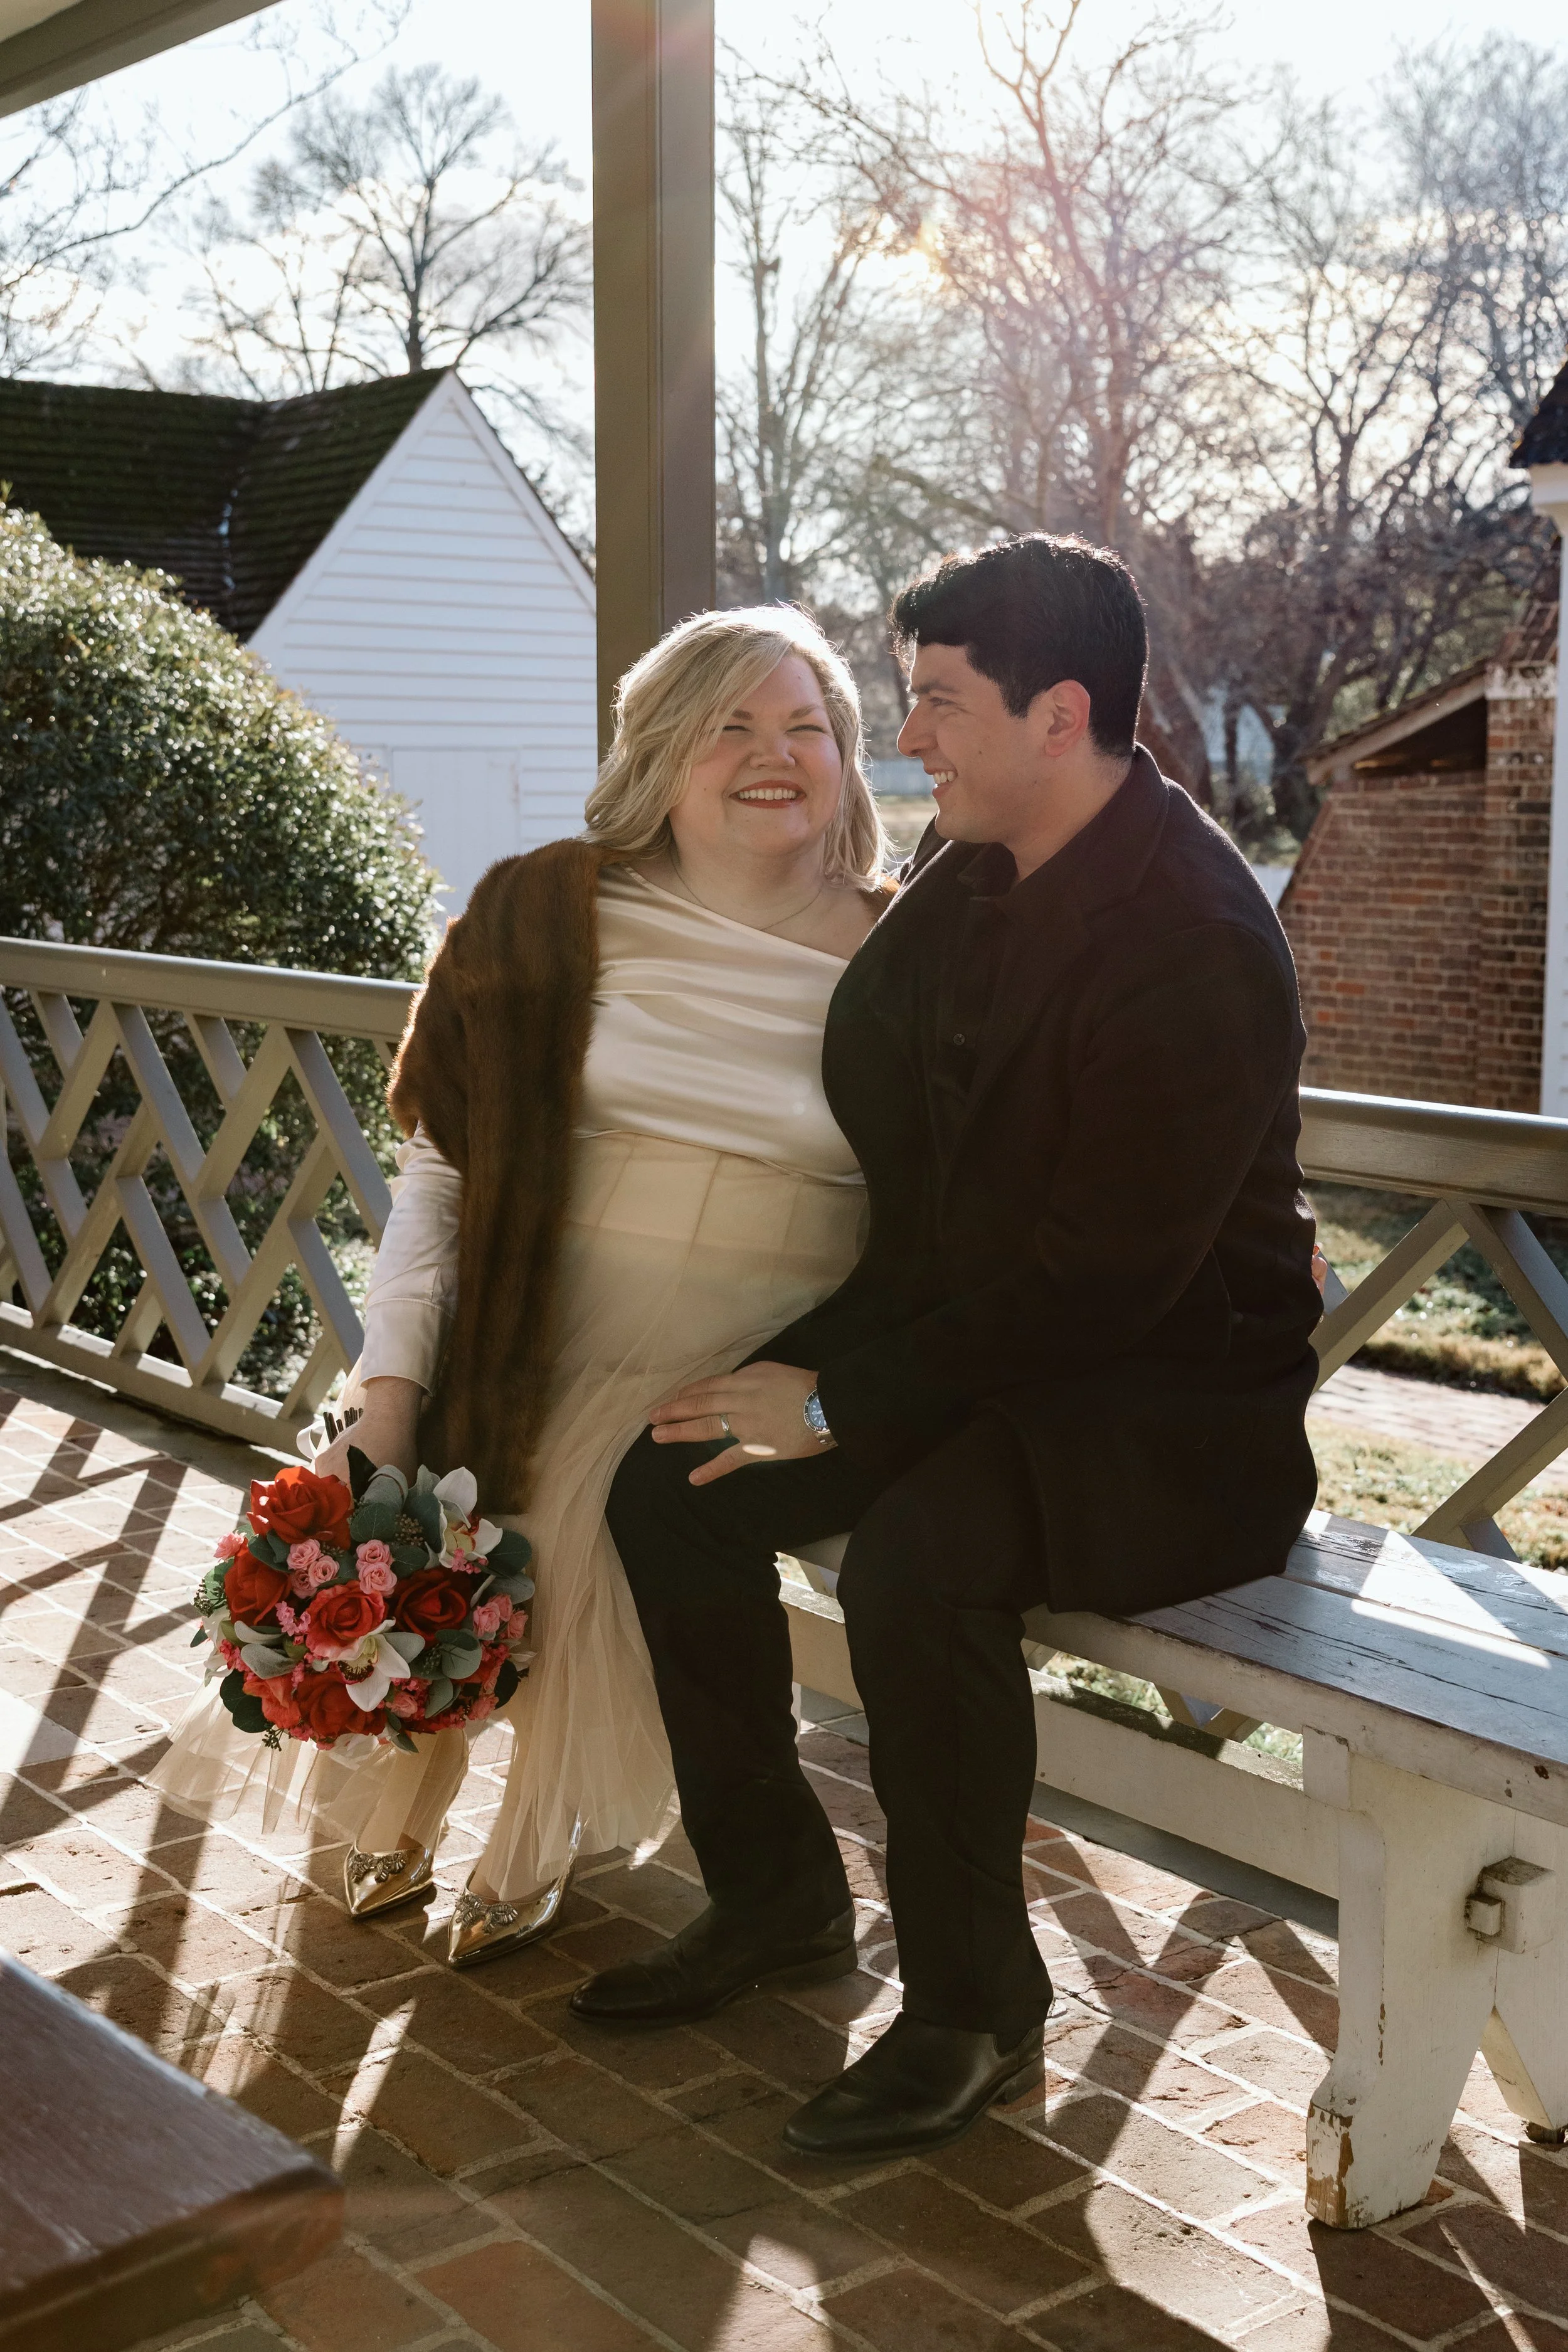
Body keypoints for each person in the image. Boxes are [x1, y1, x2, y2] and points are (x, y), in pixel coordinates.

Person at [580, 533, 1322, 2158]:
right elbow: (866, 1019)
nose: (905, 738)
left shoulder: (1191, 935)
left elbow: (1097, 1284)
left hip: (1167, 1407)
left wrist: (840, 1395)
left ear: (1057, 713)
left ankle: (974, 2003)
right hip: (971, 1341)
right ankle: (776, 1897)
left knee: (912, 1565)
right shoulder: (972, 865)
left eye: (934, 704)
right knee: (671, 1479)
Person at [150, 605, 889, 1968]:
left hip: (756, 1336)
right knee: (453, 1450)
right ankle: (405, 1780)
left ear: (847, 760)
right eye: (729, 724)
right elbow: (441, 1175)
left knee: (603, 1470)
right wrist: (390, 1389)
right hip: (535, 1307)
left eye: (807, 727)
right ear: (660, 751)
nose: (771, 753)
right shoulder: (541, 911)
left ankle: (531, 1832)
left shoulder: (911, 953)